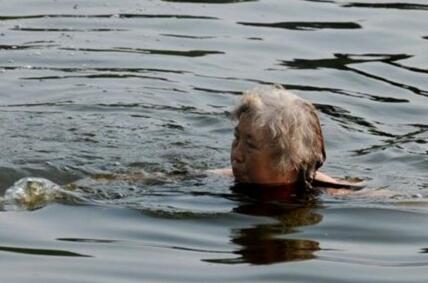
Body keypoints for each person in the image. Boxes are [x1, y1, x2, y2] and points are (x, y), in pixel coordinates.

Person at [209, 85, 362, 199]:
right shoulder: (222, 178)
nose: (236, 154)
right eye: (237, 138)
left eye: (250, 145)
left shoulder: (326, 189)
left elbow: (371, 195)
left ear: (290, 160)